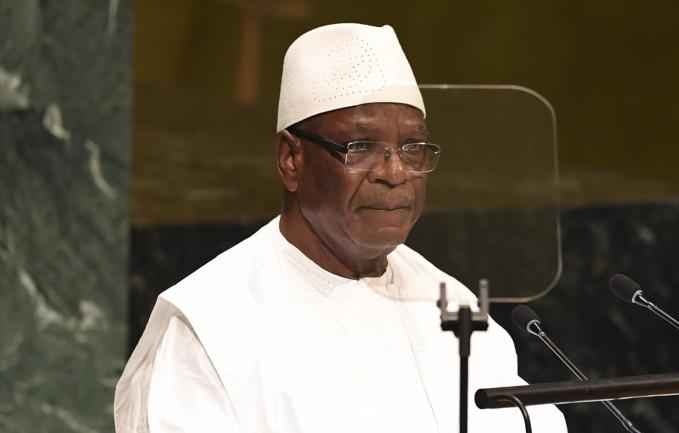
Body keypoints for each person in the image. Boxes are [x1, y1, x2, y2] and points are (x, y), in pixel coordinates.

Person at [115, 23, 568, 433]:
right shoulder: (213, 327)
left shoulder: (450, 302)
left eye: (413, 148)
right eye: (362, 146)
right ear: (290, 160)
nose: (395, 172)